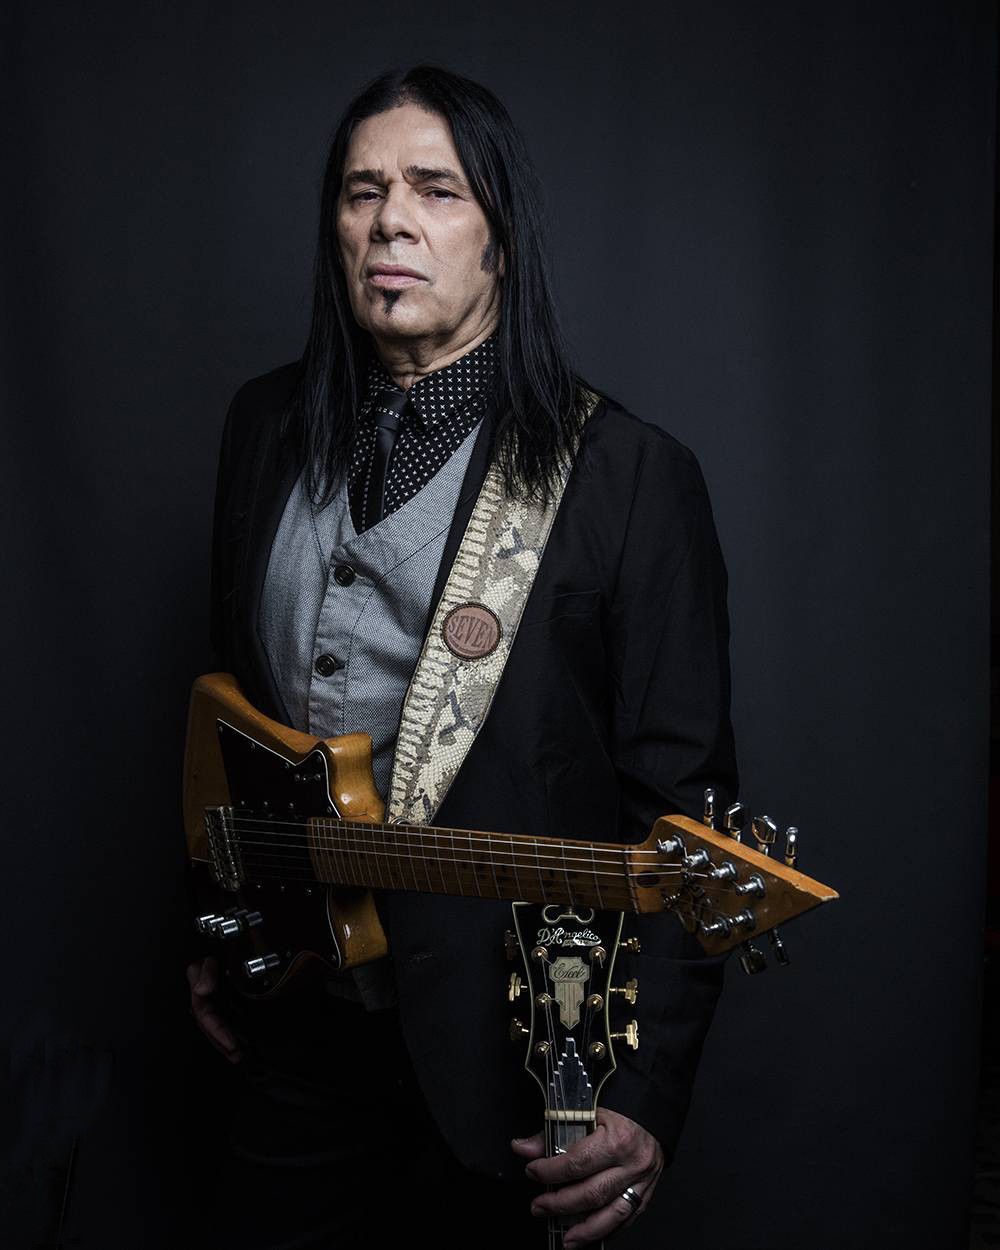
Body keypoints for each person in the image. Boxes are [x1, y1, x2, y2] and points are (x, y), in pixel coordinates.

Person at [186, 63, 738, 1249]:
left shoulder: (629, 476)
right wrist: (221, 919)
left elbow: (682, 810)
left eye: (435, 189)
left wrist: (644, 1091)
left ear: (501, 239)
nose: (390, 219)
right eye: (362, 191)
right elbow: (231, 715)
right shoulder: (262, 426)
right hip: (296, 1026)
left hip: (514, 1072)